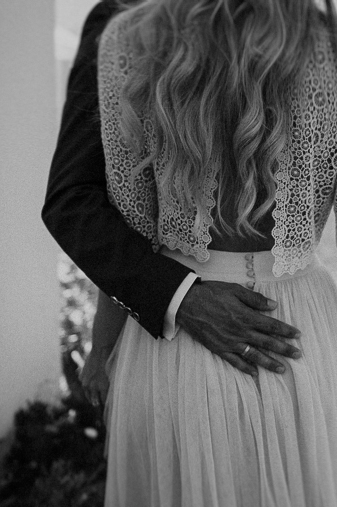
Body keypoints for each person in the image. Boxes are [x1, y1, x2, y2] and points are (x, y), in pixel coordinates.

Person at [80, 0, 337, 507]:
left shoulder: (135, 39)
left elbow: (130, 228)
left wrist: (101, 351)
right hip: (300, 340)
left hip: (175, 336)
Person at [42, 0, 303, 387]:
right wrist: (180, 299)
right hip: (183, 336)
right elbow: (81, 198)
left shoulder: (299, 33)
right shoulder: (125, 24)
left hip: (297, 320)